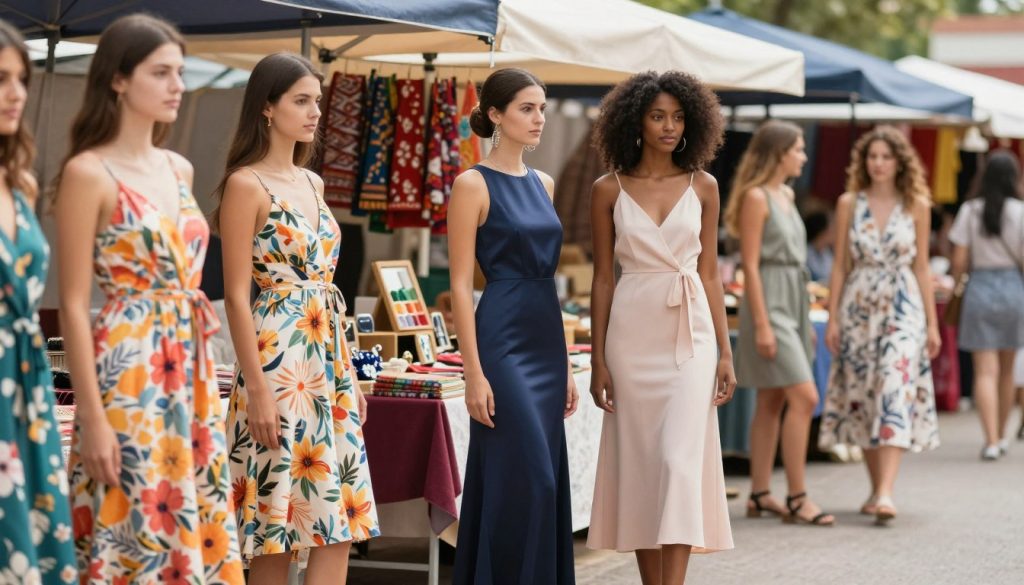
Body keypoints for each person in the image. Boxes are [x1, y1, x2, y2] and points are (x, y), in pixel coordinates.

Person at [54, 14, 243, 582]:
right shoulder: (88, 172)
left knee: (189, 518)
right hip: (128, 365)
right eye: (160, 73)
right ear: (117, 79)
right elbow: (71, 302)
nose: (177, 85)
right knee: (134, 523)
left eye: (180, 72)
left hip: (192, 368)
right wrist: (92, 414)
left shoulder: (179, 167)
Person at [213, 52, 378, 584]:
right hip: (277, 360)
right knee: (275, 528)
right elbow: (236, 295)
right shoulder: (246, 183)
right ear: (267, 107)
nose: (315, 112)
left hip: (327, 360)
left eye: (317, 101)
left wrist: (348, 371)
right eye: (301, 100)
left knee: (339, 523)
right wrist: (256, 387)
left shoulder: (313, 183)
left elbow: (327, 290)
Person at [586, 70, 736, 584]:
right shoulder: (608, 189)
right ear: (636, 121)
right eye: (657, 116)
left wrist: (725, 352)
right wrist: (598, 357)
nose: (669, 126)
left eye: (677, 117)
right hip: (631, 334)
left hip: (690, 334)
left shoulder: (705, 186)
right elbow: (603, 279)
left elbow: (711, 273)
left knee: (676, 463)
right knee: (644, 469)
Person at [447, 67, 578, 584]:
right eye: (527, 108)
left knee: (537, 483)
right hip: (500, 339)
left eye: (542, 108)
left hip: (546, 338)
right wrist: (471, 373)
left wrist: (565, 364)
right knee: (532, 481)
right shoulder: (471, 184)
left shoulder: (544, 183)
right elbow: (460, 285)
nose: (539, 118)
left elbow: (554, 282)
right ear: (496, 114)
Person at [820, 126, 941, 524]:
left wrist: (933, 326)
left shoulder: (917, 203)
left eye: (886, 157)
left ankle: (887, 491)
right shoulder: (848, 203)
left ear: (899, 161)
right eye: (872, 156)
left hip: (903, 305)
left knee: (893, 385)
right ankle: (875, 488)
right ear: (863, 161)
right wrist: (833, 316)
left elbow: (922, 267)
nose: (878, 163)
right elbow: (839, 266)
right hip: (859, 305)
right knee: (864, 394)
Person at [725, 121, 834, 527]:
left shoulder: (786, 194)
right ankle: (797, 496)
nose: (803, 157)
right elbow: (749, 265)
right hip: (768, 299)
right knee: (804, 397)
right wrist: (765, 324)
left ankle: (759, 493)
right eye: (798, 149)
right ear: (779, 153)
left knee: (772, 401)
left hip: (793, 298)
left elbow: (795, 263)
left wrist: (802, 315)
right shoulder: (756, 198)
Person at [0, 21, 77, 585]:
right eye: (1, 79)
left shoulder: (18, 181)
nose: (17, 93)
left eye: (22, 79)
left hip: (24, 385)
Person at [948, 150, 1024, 460]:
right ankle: (1003, 435)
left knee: (984, 371)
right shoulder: (1021, 212)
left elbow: (959, 261)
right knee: (1007, 370)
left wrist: (958, 281)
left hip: (979, 287)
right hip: (1013, 290)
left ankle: (990, 440)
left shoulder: (970, 210)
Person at [804, 210, 835, 283]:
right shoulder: (806, 253)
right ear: (822, 232)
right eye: (831, 228)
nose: (834, 231)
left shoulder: (826, 253)